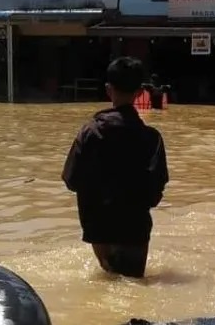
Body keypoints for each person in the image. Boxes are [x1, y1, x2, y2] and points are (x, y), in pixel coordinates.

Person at [62, 57, 169, 278]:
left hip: (98, 226)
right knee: (135, 283)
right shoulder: (151, 138)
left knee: (108, 280)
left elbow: (71, 180)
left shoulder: (90, 132)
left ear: (108, 90)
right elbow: (157, 189)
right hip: (136, 226)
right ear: (140, 93)